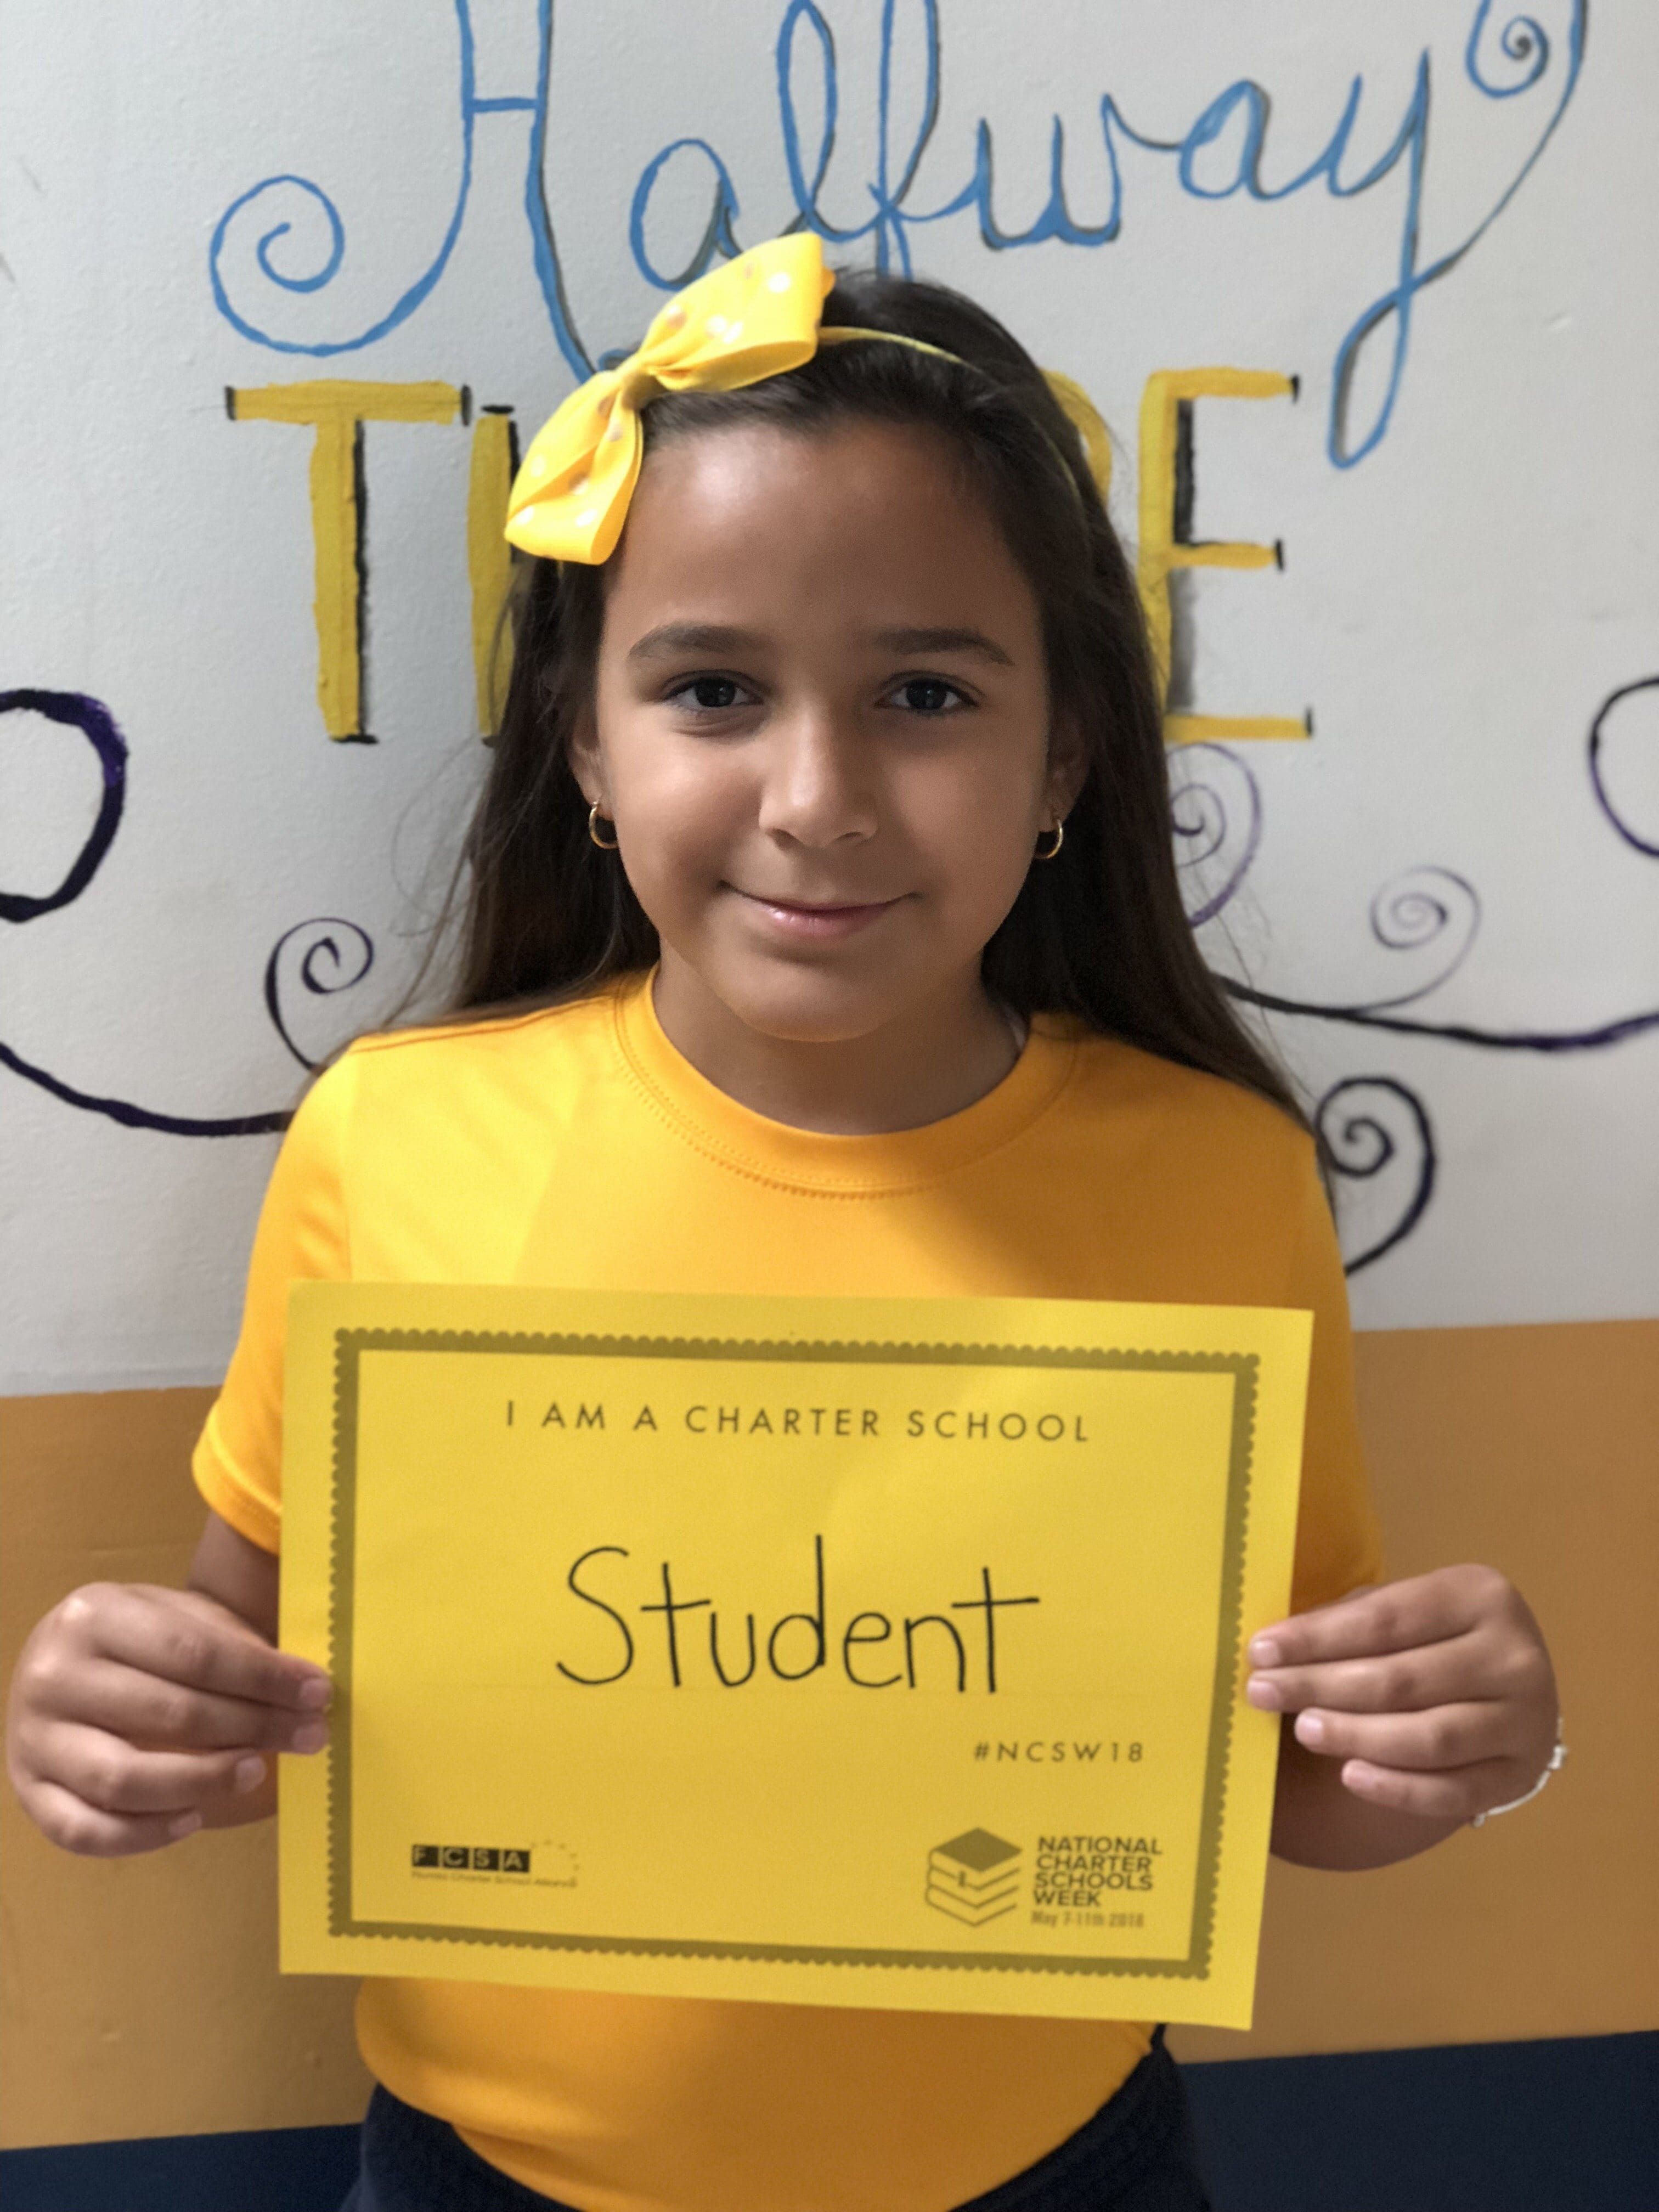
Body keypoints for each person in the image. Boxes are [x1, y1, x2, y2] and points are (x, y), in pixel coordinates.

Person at [5, 234, 1560, 2212]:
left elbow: (1283, 1780)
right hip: (489, 2177)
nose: (819, 797)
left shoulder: (1214, 1180)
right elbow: (250, 1678)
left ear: (1065, 750)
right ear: (586, 741)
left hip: (1054, 2175)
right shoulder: (398, 1143)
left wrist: (1471, 1744)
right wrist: (126, 1717)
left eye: (925, 692)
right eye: (714, 690)